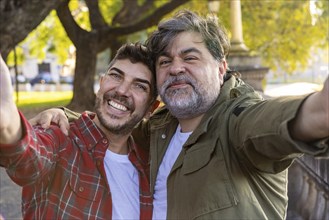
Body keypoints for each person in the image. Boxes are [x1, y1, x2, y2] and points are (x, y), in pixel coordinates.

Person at [30, 10, 329, 219]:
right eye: (165, 61)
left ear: (221, 67)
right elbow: (115, 120)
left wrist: (321, 109)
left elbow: (283, 120)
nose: (176, 68)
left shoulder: (238, 120)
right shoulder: (157, 129)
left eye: (190, 57)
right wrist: (62, 115)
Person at [0, 43, 159, 219]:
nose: (122, 90)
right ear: (101, 83)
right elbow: (29, 158)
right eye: (116, 76)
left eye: (139, 86)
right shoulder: (61, 137)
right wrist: (8, 122)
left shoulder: (149, 165)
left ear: (151, 108)